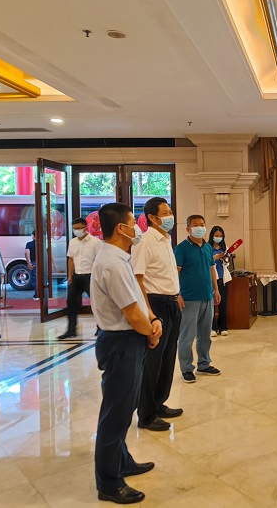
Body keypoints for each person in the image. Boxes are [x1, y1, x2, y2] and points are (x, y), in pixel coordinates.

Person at [90, 202, 161, 504]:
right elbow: (131, 313)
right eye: (134, 223)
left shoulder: (119, 258)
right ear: (121, 228)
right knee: (115, 415)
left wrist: (152, 320)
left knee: (124, 407)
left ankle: (122, 461)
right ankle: (109, 483)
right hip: (121, 343)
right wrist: (151, 331)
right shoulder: (113, 264)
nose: (138, 228)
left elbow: (137, 301)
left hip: (129, 340)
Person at [131, 197, 183, 431]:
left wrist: (177, 295)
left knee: (167, 358)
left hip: (171, 303)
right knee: (152, 361)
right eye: (166, 212)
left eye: (170, 211)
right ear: (152, 217)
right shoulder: (145, 241)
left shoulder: (166, 240)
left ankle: (159, 402)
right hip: (156, 305)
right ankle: (146, 414)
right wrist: (150, 313)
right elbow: (138, 279)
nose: (170, 216)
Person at [175, 215, 221, 384]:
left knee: (205, 334)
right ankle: (186, 369)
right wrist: (178, 295)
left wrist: (216, 290)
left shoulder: (207, 247)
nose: (200, 227)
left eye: (202, 224)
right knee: (187, 336)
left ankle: (204, 363)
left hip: (207, 296)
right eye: (196, 225)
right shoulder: (181, 249)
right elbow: (175, 273)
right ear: (188, 229)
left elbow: (211, 269)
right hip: (189, 299)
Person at [59, 217, 102, 340]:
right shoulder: (73, 242)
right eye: (74, 229)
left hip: (90, 276)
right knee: (71, 303)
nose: (76, 231)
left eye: (79, 228)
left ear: (85, 228)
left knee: (97, 304)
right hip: (76, 277)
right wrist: (69, 275)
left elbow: (99, 261)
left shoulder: (95, 242)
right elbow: (71, 259)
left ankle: (100, 327)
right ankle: (71, 330)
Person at [209, 225, 230, 337]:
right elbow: (205, 262)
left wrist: (224, 258)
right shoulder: (207, 248)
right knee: (211, 304)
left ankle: (223, 327)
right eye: (216, 235)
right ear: (212, 236)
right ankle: (212, 327)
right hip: (211, 279)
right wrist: (214, 258)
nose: (218, 237)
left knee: (223, 304)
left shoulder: (224, 248)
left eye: (220, 236)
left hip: (223, 278)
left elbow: (228, 263)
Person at [25, 231, 37, 300]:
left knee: (35, 279)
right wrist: (53, 263)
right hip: (43, 263)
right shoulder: (44, 243)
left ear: (33, 236)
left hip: (34, 263)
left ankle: (37, 295)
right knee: (42, 279)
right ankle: (42, 293)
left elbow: (26, 252)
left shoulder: (29, 244)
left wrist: (28, 262)